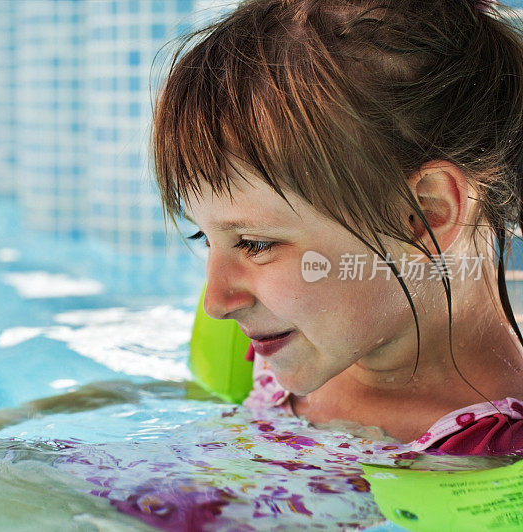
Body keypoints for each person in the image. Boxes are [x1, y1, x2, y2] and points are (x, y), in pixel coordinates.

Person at [151, 0, 523, 454]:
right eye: (203, 236)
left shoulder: (494, 455)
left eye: (255, 243)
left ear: (424, 215)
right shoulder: (265, 353)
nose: (216, 303)